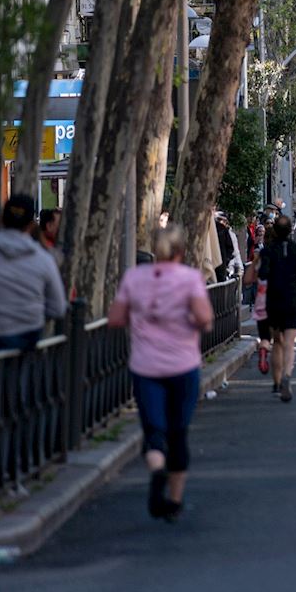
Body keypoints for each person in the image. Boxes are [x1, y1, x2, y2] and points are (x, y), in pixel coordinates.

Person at [108, 224, 213, 523]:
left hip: (145, 367)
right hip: (183, 365)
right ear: (181, 251)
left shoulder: (134, 277)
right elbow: (205, 319)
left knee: (154, 430)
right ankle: (175, 501)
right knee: (178, 432)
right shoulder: (190, 279)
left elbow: (115, 318)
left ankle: (156, 470)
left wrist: (140, 316)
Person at [0, 194, 68, 352]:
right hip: (28, 340)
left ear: (2, 219)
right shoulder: (44, 259)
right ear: (31, 225)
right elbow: (58, 308)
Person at [259, 217, 296, 402]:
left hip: (273, 300)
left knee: (277, 342)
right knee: (289, 343)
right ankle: (287, 375)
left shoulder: (268, 251)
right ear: (290, 230)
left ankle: (277, 381)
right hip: (292, 299)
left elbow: (262, 273)